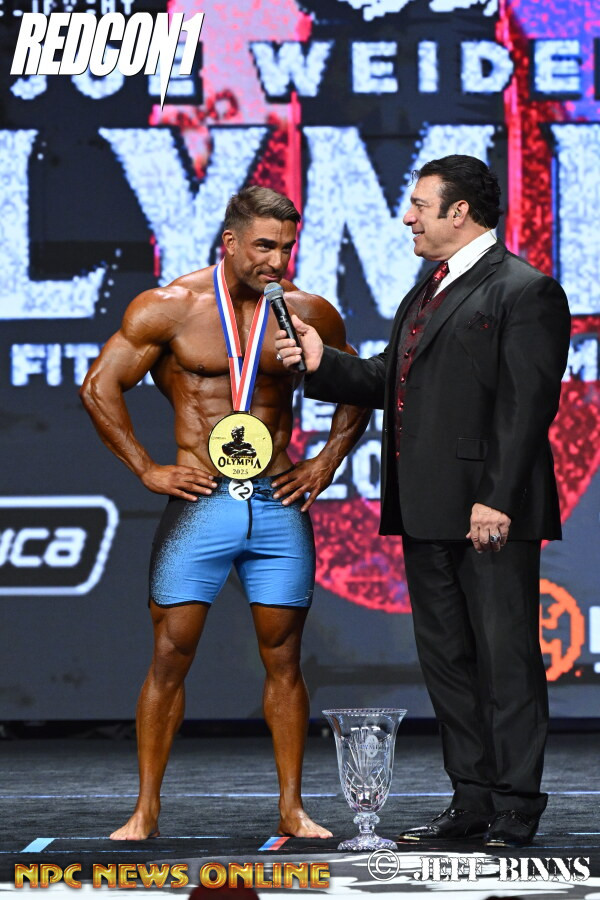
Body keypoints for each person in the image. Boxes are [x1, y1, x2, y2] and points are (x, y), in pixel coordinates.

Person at [275, 155, 571, 848]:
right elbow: (394, 379)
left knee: (504, 659)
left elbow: (527, 407)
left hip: (489, 512)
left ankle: (516, 805)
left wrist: (496, 499)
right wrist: (323, 363)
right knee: (447, 662)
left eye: (419, 205)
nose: (407, 217)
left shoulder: (525, 290)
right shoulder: (428, 289)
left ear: (458, 212)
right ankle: (470, 800)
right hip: (426, 507)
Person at [80, 185, 370, 841]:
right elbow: (100, 386)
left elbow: (358, 386)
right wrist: (147, 468)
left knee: (285, 659)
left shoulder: (305, 311)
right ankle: (145, 810)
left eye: (287, 248)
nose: (277, 260)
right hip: (201, 503)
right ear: (231, 242)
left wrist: (325, 463)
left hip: (276, 503)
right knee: (170, 654)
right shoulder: (171, 307)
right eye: (265, 246)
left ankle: (292, 808)